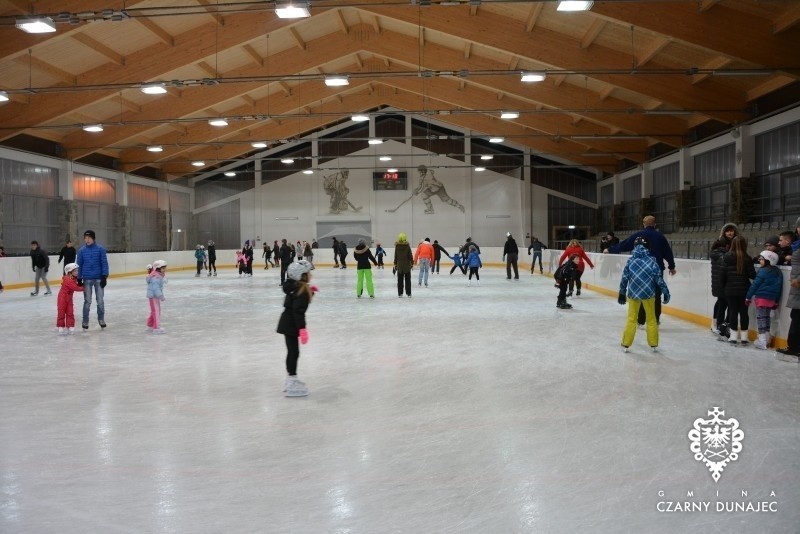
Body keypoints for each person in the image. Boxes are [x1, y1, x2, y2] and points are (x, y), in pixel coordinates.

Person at [605, 215, 676, 325]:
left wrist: (610, 249)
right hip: (656, 269)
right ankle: (655, 319)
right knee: (656, 294)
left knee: (642, 293)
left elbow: (625, 245)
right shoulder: (660, 236)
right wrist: (671, 266)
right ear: (655, 224)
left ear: (644, 224)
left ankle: (641, 320)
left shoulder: (638, 235)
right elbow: (667, 252)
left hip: (640, 270)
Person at [617, 237, 671, 353]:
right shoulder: (652, 260)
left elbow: (625, 277)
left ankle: (626, 344)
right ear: (648, 247)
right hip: (648, 294)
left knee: (631, 319)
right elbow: (658, 278)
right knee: (651, 319)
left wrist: (622, 291)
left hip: (633, 294)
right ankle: (653, 344)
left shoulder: (631, 260)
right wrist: (665, 291)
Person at [277, 260, 316, 397]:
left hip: (287, 322)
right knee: (294, 353)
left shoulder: (296, 287)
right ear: (301, 276)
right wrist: (302, 329)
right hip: (291, 324)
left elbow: (296, 303)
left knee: (292, 352)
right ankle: (292, 380)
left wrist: (310, 293)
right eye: (308, 273)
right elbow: (298, 311)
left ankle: (290, 378)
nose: (310, 275)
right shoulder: (301, 290)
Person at [720, 235, 756, 345]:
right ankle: (744, 338)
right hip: (744, 289)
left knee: (733, 312)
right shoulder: (747, 258)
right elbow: (752, 275)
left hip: (730, 290)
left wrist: (724, 286)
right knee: (744, 313)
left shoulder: (726, 257)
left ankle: (733, 337)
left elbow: (722, 275)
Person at [746, 250, 783, 350]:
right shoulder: (778, 272)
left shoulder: (763, 271)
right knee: (766, 318)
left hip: (762, 298)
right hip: (771, 299)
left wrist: (748, 297)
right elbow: (779, 287)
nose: (759, 261)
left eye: (762, 259)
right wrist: (776, 300)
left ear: (769, 261)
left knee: (761, 318)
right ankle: (767, 338)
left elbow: (755, 285)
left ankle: (762, 340)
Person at [777, 217, 800, 362]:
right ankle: (794, 347)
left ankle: (794, 348)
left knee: (797, 320)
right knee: (796, 318)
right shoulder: (796, 248)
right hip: (797, 290)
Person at [710, 223, 739, 336]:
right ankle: (717, 324)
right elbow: (715, 257)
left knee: (725, 302)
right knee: (722, 302)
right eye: (728, 231)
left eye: (732, 231)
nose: (730, 233)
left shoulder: (736, 243)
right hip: (720, 279)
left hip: (730, 279)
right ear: (724, 232)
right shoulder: (718, 243)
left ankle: (723, 324)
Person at [76, 229, 109, 329]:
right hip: (87, 279)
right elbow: (79, 265)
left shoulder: (100, 249)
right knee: (87, 301)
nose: (87, 240)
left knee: (100, 301)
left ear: (93, 238)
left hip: (98, 278)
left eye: (89, 238)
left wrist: (104, 276)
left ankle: (101, 319)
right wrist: (79, 278)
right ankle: (85, 321)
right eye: (85, 238)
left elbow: (104, 263)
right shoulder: (81, 251)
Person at [56, 262, 81, 335]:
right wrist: (85, 288)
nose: (77, 272)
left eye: (77, 270)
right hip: (62, 298)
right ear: (69, 271)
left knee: (70, 312)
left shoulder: (73, 278)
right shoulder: (67, 279)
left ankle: (70, 326)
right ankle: (60, 326)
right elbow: (75, 288)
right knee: (61, 312)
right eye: (75, 271)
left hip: (69, 299)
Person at [147, 260, 167, 334]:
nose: (165, 270)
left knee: (154, 311)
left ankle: (150, 325)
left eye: (165, 268)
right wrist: (161, 296)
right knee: (156, 312)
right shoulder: (156, 277)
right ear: (158, 268)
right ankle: (156, 327)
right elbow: (156, 288)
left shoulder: (156, 275)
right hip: (154, 296)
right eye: (163, 268)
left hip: (153, 296)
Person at [393, 232, 414, 298]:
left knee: (399, 280)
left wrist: (395, 264)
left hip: (399, 266)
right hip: (407, 265)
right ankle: (408, 293)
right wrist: (412, 263)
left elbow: (395, 256)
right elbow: (410, 256)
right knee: (408, 280)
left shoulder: (397, 246)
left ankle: (400, 293)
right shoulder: (407, 246)